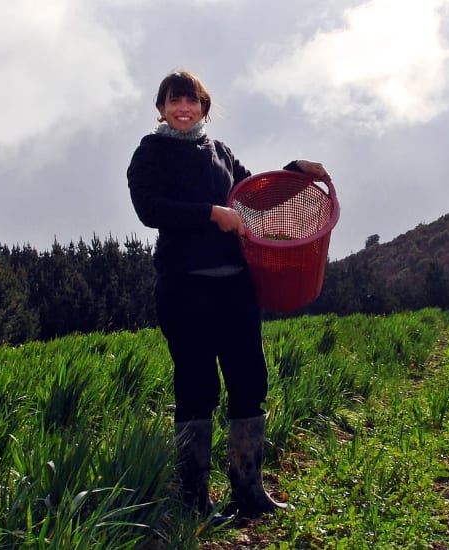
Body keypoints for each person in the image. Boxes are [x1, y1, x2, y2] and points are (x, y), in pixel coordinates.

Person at [126, 70, 331, 519]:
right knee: (197, 387)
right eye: (173, 101)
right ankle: (195, 501)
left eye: (191, 101)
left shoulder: (219, 152)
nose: (183, 108)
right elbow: (150, 209)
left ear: (204, 108)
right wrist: (209, 214)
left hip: (235, 285)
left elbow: (254, 196)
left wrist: (296, 171)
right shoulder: (150, 153)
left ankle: (248, 490)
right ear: (160, 109)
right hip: (185, 286)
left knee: (249, 382)